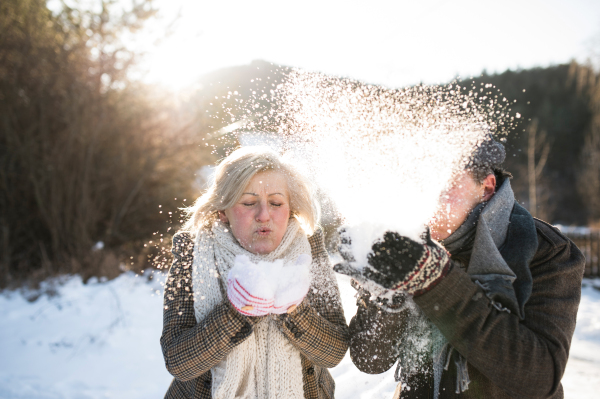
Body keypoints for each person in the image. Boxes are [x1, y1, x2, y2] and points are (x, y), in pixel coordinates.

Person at [335, 138, 585, 398]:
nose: (425, 202)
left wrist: (434, 280)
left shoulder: (546, 251)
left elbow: (539, 378)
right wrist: (386, 292)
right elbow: (370, 360)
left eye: (441, 188)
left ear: (486, 187)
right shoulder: (402, 240)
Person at [161, 146, 348, 399]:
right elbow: (178, 362)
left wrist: (294, 311)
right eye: (249, 203)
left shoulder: (308, 253)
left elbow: (334, 351)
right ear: (222, 211)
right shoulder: (193, 256)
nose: (264, 215)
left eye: (276, 203)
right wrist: (237, 312)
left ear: (290, 208)